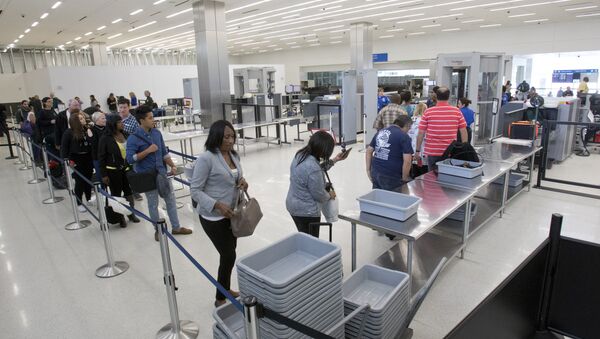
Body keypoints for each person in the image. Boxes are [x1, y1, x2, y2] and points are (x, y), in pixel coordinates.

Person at [190, 120, 249, 307]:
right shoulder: (206, 158)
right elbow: (195, 190)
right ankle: (220, 298)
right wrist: (216, 205)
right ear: (216, 137)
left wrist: (243, 182)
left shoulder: (233, 155)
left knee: (229, 253)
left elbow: (237, 176)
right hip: (213, 217)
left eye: (233, 136)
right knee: (228, 255)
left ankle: (225, 288)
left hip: (232, 214)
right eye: (226, 137)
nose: (230, 141)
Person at [125, 105, 192, 241]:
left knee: (171, 200)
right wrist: (147, 151)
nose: (153, 120)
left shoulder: (156, 133)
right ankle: (158, 229)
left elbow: (163, 153)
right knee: (153, 203)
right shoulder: (133, 138)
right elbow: (130, 159)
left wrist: (172, 166)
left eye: (152, 117)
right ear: (141, 120)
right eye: (150, 118)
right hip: (147, 176)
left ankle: (176, 227)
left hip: (162, 173)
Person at [286, 131, 347, 238]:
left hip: (293, 204)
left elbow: (317, 167)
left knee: (304, 237)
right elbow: (319, 196)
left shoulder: (300, 155)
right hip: (306, 212)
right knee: (311, 242)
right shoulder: (313, 168)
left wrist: (335, 160)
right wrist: (330, 195)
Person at [98, 114, 141, 227]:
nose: (122, 123)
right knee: (116, 194)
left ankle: (131, 213)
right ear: (113, 124)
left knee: (128, 192)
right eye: (119, 122)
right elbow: (101, 157)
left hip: (126, 169)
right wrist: (104, 175)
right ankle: (120, 217)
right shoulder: (105, 138)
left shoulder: (126, 134)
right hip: (112, 171)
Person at [416, 87, 468, 171]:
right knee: (448, 176)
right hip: (451, 151)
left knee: (432, 177)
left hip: (432, 151)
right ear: (449, 97)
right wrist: (465, 148)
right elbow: (463, 131)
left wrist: (417, 150)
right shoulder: (456, 111)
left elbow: (421, 133)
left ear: (436, 96)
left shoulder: (428, 112)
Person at [366, 116, 413, 191]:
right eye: (409, 127)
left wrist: (368, 170)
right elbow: (407, 161)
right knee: (392, 200)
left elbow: (369, 151)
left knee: (378, 197)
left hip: (376, 171)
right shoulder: (404, 136)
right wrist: (405, 178)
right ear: (406, 125)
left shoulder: (380, 132)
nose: (409, 130)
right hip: (391, 176)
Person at [61, 111, 94, 213]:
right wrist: (66, 160)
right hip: (76, 159)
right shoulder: (69, 132)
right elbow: (64, 148)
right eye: (80, 119)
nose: (83, 119)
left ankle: (88, 198)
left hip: (88, 157)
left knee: (88, 179)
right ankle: (79, 202)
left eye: (83, 118)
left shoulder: (86, 129)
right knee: (79, 182)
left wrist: (90, 133)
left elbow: (92, 143)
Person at [90, 111, 106, 183]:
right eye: (103, 118)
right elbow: (95, 145)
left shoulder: (107, 128)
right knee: (101, 177)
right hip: (98, 158)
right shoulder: (92, 130)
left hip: (108, 157)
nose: (105, 120)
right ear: (96, 120)